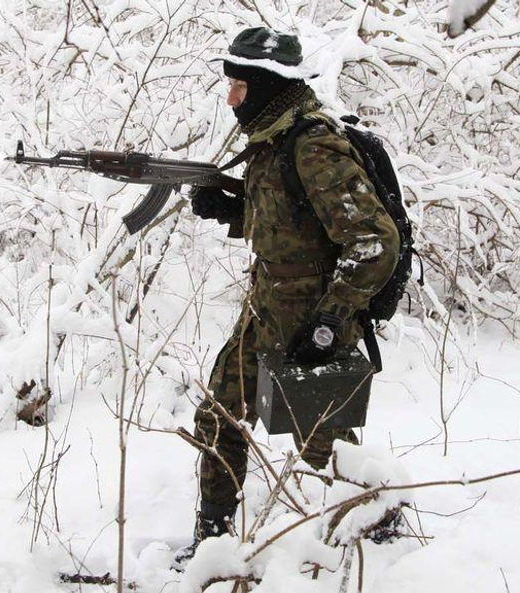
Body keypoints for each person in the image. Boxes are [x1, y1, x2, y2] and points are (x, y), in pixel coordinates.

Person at [178, 27, 400, 558]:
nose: (230, 97)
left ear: (268, 85)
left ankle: (364, 534)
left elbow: (374, 241)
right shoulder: (272, 141)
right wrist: (229, 210)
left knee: (321, 443)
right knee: (221, 414)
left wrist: (329, 323)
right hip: (265, 309)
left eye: (239, 86)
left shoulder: (313, 145)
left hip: (312, 323)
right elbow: (291, 224)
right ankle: (213, 543)